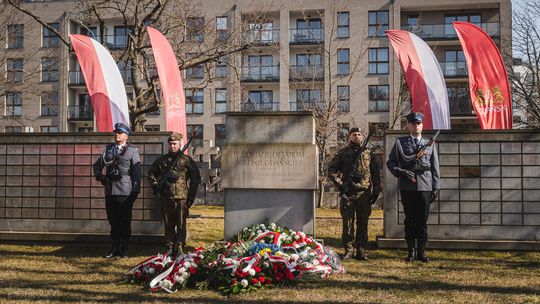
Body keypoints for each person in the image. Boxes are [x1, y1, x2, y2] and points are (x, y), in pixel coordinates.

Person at [386, 112, 440, 263]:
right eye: (413, 123)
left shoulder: (429, 143)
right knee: (410, 220)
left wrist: (436, 187)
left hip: (425, 185)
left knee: (422, 221)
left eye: (418, 123)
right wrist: (401, 172)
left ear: (422, 125)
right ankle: (411, 251)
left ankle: (421, 252)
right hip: (408, 186)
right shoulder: (400, 143)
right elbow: (391, 163)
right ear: (408, 125)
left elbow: (435, 167)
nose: (416, 126)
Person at [328, 127, 381, 260]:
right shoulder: (343, 153)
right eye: (354, 134)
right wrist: (341, 185)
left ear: (362, 137)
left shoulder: (369, 153)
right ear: (349, 137)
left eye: (359, 134)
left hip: (364, 193)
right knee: (348, 223)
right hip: (349, 194)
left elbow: (375, 173)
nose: (357, 136)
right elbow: (332, 170)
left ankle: (361, 249)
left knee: (363, 223)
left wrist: (376, 190)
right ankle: (349, 250)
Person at [147, 132, 200, 257]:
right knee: (168, 222)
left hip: (182, 197)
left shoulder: (187, 160)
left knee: (181, 222)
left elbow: (195, 178)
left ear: (180, 144)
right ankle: (170, 245)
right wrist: (156, 185)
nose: (173, 146)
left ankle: (180, 245)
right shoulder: (162, 160)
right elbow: (151, 174)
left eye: (175, 144)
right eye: (170, 144)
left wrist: (191, 196)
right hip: (166, 197)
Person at [93, 123, 141, 258]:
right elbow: (97, 165)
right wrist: (99, 176)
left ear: (126, 136)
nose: (116, 135)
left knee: (124, 220)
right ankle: (114, 247)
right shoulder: (108, 150)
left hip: (125, 191)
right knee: (112, 220)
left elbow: (136, 173)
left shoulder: (132, 151)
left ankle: (124, 248)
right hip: (110, 190)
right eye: (115, 132)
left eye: (120, 132)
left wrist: (135, 190)